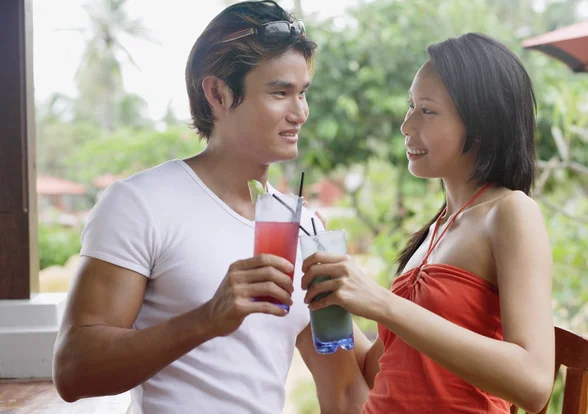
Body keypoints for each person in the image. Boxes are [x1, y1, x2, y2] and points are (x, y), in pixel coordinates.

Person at [52, 1, 369, 413]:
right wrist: (206, 319)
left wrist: (404, 306)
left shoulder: (304, 225)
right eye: (280, 93)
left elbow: (348, 385)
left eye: (303, 92)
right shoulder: (140, 204)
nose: (300, 113)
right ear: (218, 93)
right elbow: (74, 372)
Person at [301, 33, 555, 413]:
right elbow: (383, 373)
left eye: (427, 111)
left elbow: (534, 384)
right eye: (410, 106)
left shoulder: (510, 212)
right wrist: (330, 284)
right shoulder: (436, 229)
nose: (406, 125)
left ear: (481, 123)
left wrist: (382, 303)